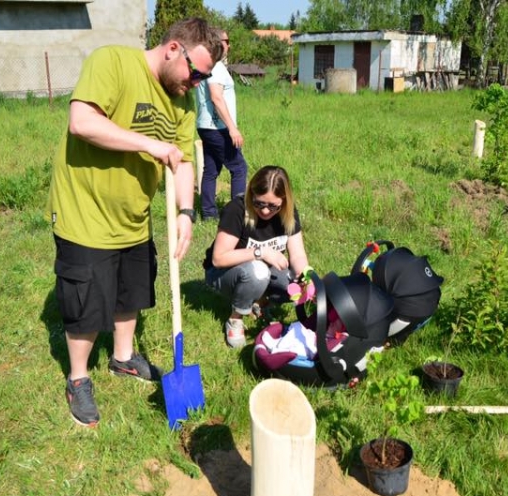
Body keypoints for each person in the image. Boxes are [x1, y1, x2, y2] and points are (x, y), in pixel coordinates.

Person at [46, 18, 223, 427]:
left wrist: (185, 212)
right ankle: (78, 377)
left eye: (204, 77)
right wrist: (150, 144)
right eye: (195, 73)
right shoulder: (112, 62)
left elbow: (182, 160)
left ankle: (123, 358)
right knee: (86, 300)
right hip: (85, 210)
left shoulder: (184, 100)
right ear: (173, 48)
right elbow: (82, 121)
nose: (196, 83)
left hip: (135, 215)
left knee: (131, 290)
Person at [203, 165, 311, 348]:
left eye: (273, 206)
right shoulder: (237, 210)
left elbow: (298, 255)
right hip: (222, 274)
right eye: (259, 203)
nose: (266, 211)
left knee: (293, 283)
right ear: (251, 194)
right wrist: (261, 252)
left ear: (284, 201)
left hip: (261, 272)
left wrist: (306, 277)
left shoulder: (288, 213)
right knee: (259, 270)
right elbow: (218, 259)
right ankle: (236, 318)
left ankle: (260, 302)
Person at [194, 29, 248, 221]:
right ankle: (237, 214)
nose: (228, 45)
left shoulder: (206, 64)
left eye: (228, 41)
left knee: (211, 169)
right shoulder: (215, 66)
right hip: (217, 127)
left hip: (206, 126)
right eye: (225, 41)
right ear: (214, 42)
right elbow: (216, 98)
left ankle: (209, 213)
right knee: (239, 168)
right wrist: (232, 128)